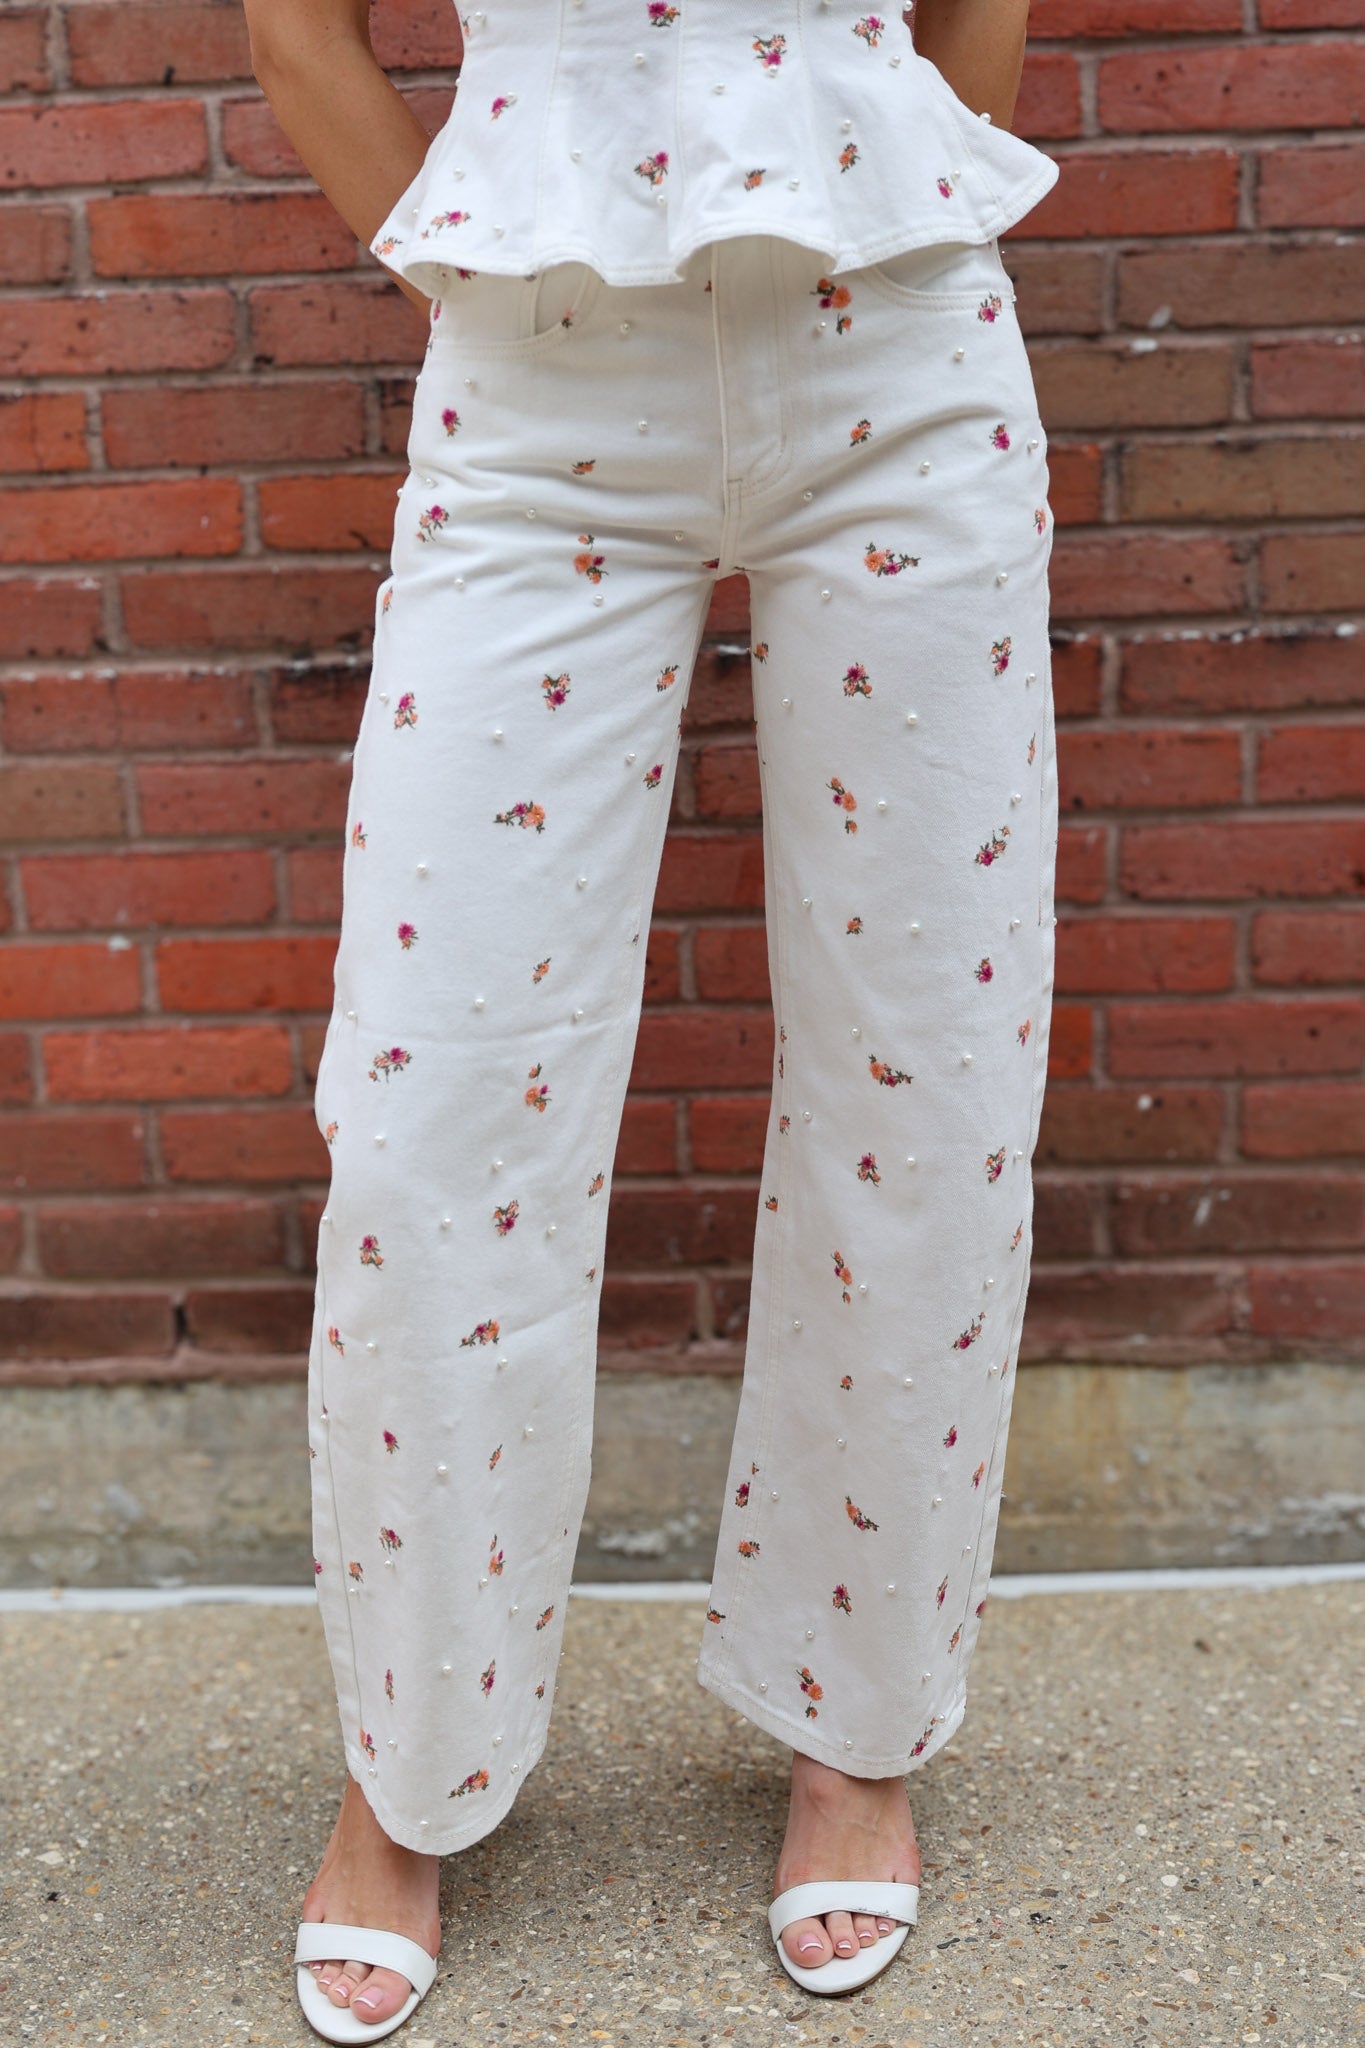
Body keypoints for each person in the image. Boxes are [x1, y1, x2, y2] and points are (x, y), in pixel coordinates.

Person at [243, 1, 1061, 2037]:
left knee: (920, 1070)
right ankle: (408, 1755)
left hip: (901, 354)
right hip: (534, 380)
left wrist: (884, 186)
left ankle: (854, 1718)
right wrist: (465, 255)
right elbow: (287, 19)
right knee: (435, 1109)